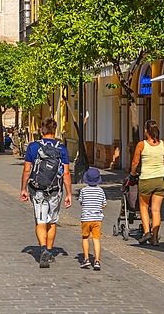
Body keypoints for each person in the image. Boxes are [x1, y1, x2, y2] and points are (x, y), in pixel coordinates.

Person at [20, 116, 72, 269]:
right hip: (55, 190)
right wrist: (69, 193)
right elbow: (66, 173)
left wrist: (23, 188)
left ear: (41, 130)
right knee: (52, 221)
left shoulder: (33, 147)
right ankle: (49, 250)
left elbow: (27, 170)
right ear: (54, 130)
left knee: (40, 220)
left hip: (37, 190)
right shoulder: (61, 148)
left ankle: (42, 248)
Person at [130, 119, 164, 247]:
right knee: (156, 210)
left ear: (146, 131)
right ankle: (155, 238)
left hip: (146, 179)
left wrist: (133, 172)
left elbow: (135, 162)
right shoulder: (163, 144)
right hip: (161, 179)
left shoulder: (142, 145)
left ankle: (147, 232)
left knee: (143, 207)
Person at [78, 167, 107, 270]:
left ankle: (86, 259)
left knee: (85, 238)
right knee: (96, 239)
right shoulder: (100, 191)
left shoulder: (83, 190)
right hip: (97, 219)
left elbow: (81, 202)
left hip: (86, 218)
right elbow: (104, 205)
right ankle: (97, 261)